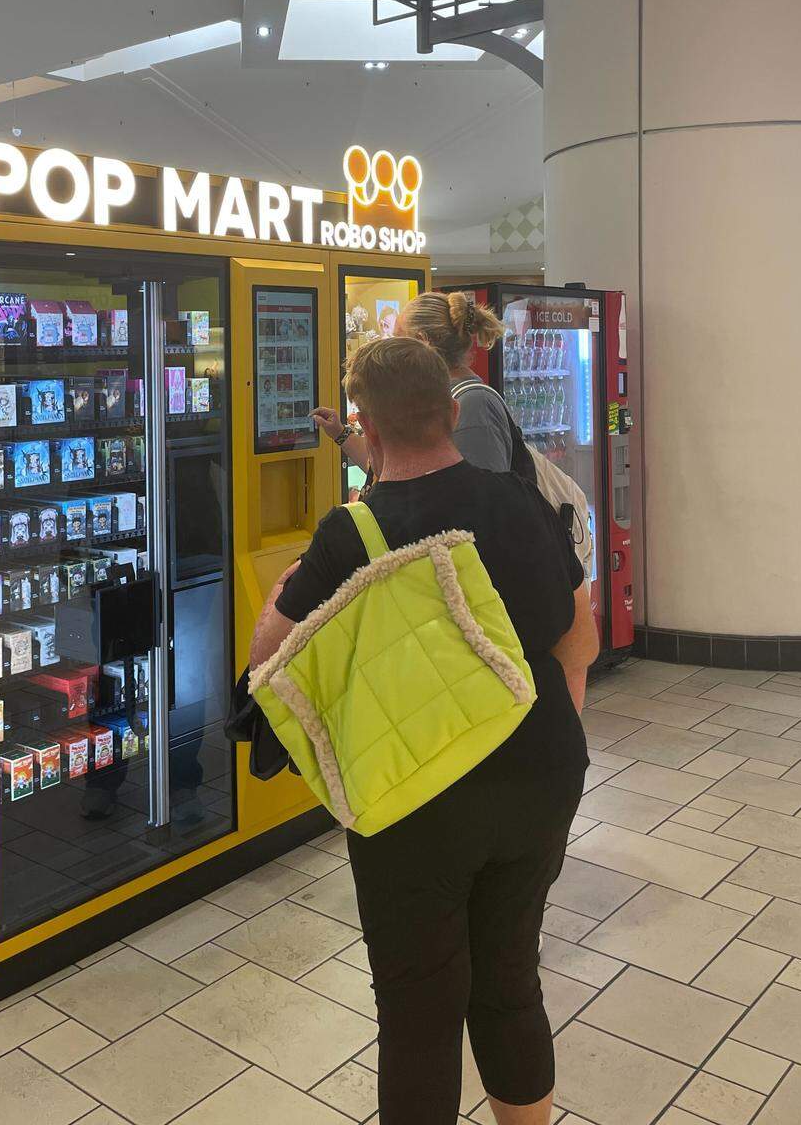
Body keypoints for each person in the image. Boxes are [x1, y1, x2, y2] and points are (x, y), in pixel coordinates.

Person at [252, 337, 597, 1125]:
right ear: (451, 412)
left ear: (366, 432)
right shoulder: (522, 501)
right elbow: (582, 642)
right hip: (542, 774)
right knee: (510, 981)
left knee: (418, 1013)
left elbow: (267, 664)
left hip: (415, 799)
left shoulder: (352, 531)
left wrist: (280, 595)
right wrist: (543, 744)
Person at [315, 290, 522, 479]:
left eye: (397, 338)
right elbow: (388, 468)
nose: (389, 345)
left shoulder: (475, 405)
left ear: (423, 343)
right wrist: (340, 433)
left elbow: (481, 504)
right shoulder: (428, 397)